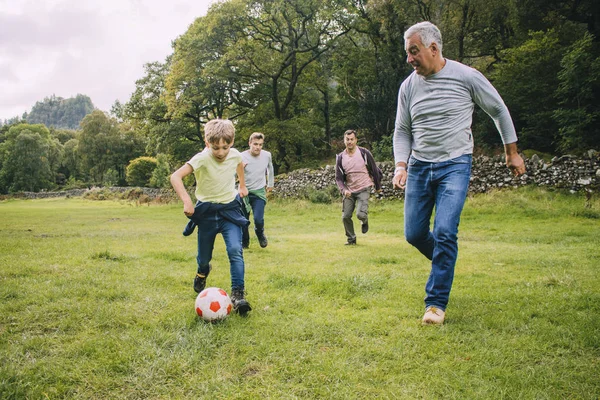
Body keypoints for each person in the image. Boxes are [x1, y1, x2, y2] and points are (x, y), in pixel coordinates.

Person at [392, 21, 526, 325]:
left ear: (434, 48)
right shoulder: (408, 86)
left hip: (455, 164)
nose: (409, 59)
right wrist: (401, 165)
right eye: (407, 53)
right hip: (419, 166)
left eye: (414, 51)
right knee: (414, 234)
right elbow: (402, 130)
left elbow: (498, 110)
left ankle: (435, 304)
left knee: (444, 232)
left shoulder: (466, 77)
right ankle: (446, 260)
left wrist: (512, 152)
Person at [170, 119, 252, 315]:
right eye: (216, 148)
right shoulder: (201, 158)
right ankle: (202, 272)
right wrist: (187, 202)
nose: (221, 152)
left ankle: (238, 294)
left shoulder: (234, 155)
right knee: (204, 258)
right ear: (207, 144)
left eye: (226, 146)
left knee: (235, 250)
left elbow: (240, 164)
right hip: (206, 212)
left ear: (231, 143)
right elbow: (175, 177)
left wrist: (242, 185)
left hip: (229, 211)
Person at [335, 129, 383, 246]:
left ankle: (364, 221)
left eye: (352, 139)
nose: (350, 142)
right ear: (344, 140)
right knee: (345, 216)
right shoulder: (340, 157)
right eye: (347, 139)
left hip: (364, 187)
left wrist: (378, 186)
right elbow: (339, 178)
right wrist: (344, 189)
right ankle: (351, 240)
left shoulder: (364, 153)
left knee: (360, 214)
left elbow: (375, 170)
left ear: (356, 140)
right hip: (349, 190)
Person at [241, 132, 274, 249]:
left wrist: (270, 183)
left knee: (258, 219)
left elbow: (270, 168)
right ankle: (245, 242)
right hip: (244, 192)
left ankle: (260, 234)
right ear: (249, 143)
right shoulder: (241, 157)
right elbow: (232, 173)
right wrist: (240, 168)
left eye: (260, 145)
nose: (258, 147)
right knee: (244, 220)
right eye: (255, 144)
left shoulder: (267, 155)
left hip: (259, 192)